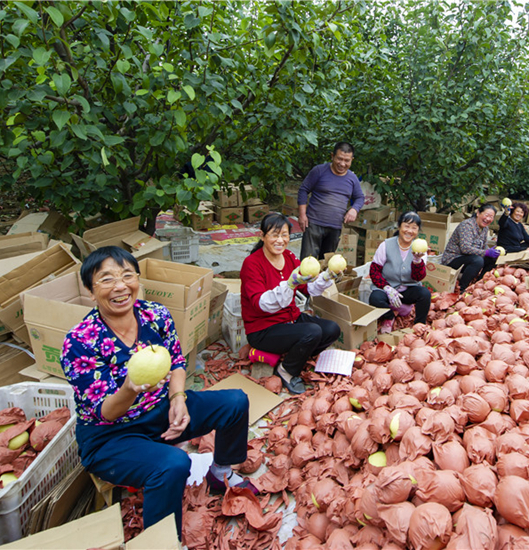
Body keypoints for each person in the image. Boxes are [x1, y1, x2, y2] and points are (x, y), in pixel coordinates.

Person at [61, 246, 253, 539]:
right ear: (91, 291)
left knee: (235, 401)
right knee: (173, 464)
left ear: (138, 279)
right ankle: (161, 542)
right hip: (111, 436)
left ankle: (221, 473)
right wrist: (129, 388)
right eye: (107, 279)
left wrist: (177, 399)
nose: (120, 286)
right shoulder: (80, 342)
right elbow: (106, 412)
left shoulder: (155, 315)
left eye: (127, 275)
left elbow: (176, 360)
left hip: (160, 411)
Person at [240, 213, 341, 394]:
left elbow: (306, 289)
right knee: (312, 332)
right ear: (262, 236)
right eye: (274, 235)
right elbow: (261, 304)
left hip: (290, 320)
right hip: (263, 329)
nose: (280, 240)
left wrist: (326, 276)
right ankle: (286, 371)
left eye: (284, 235)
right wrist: (289, 284)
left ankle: (293, 355)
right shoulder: (252, 264)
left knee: (332, 329)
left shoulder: (289, 257)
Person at [298, 142, 365, 259]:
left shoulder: (352, 178)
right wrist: (302, 215)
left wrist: (354, 209)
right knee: (308, 262)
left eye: (347, 160)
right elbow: (303, 190)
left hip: (335, 227)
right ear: (332, 156)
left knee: (326, 264)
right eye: (339, 159)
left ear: (352, 160)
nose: (342, 164)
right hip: (313, 224)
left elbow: (360, 197)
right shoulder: (319, 171)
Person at [368, 211, 432, 333]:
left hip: (407, 291)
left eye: (414, 228)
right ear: (399, 226)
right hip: (387, 289)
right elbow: (374, 271)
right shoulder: (386, 245)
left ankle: (419, 325)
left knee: (424, 294)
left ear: (418, 231)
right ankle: (390, 316)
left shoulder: (420, 248)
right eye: (406, 226)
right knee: (374, 298)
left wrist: (417, 261)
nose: (409, 231)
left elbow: (418, 277)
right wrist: (386, 287)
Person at [440, 204, 500, 292]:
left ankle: (478, 283)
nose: (488, 219)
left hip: (469, 258)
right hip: (454, 258)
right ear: (478, 213)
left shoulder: (485, 228)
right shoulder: (467, 225)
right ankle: (462, 288)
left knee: (492, 259)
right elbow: (465, 248)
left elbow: (483, 246)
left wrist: (492, 251)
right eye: (486, 215)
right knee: (478, 260)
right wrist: (486, 252)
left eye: (491, 217)